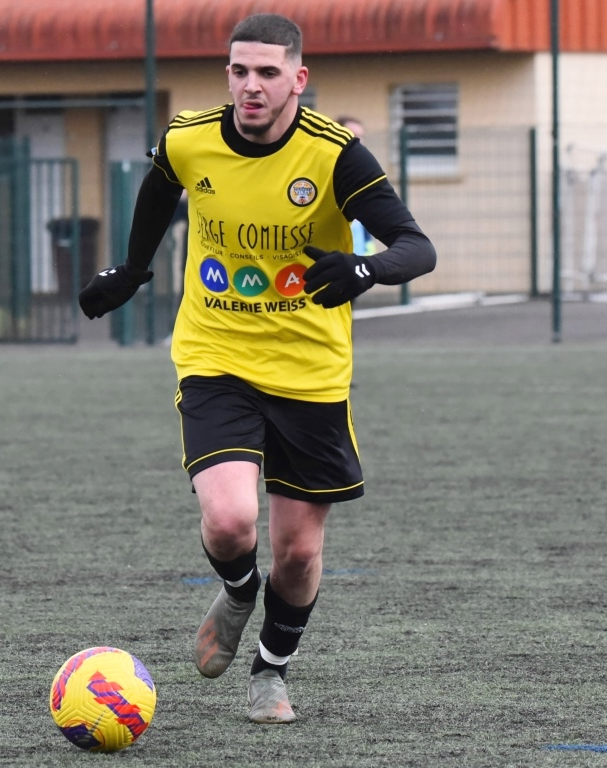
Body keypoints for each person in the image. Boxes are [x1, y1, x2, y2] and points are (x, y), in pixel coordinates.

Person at [78, 13, 435, 724]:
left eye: (268, 73)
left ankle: (270, 671)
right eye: (240, 71)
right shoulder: (190, 137)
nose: (251, 86)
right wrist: (133, 268)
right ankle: (240, 591)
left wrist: (364, 268)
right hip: (216, 355)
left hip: (309, 372)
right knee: (230, 520)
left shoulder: (335, 155)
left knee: (297, 553)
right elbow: (161, 187)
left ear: (297, 79)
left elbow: (415, 246)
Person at [336, 116, 376, 256]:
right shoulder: (329, 174)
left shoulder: (364, 174)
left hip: (359, 261)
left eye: (361, 136)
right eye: (353, 135)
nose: (358, 141)